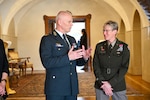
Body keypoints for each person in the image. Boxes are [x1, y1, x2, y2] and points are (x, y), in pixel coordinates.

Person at [39, 10, 92, 100]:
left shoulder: (71, 39)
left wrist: (84, 57)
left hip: (71, 86)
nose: (72, 24)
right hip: (56, 88)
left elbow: (76, 62)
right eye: (69, 21)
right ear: (59, 22)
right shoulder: (48, 39)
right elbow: (47, 62)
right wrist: (68, 57)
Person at [93, 20, 130, 100]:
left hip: (118, 84)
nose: (104, 33)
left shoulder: (124, 47)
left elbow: (124, 68)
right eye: (103, 30)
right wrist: (103, 83)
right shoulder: (99, 46)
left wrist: (110, 83)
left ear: (115, 31)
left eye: (107, 31)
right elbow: (96, 66)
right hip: (101, 84)